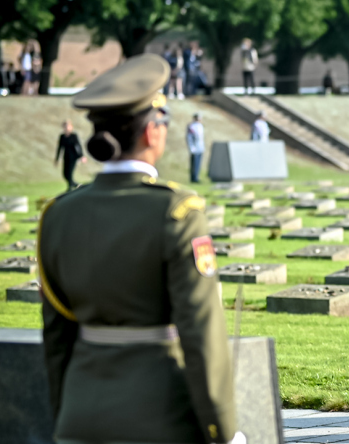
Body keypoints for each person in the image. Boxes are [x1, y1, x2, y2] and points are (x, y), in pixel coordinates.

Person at [38, 54, 243, 444]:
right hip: (161, 418)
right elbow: (201, 333)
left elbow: (57, 338)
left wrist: (66, 413)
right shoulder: (177, 212)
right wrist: (223, 430)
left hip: (79, 418)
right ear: (152, 132)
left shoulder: (58, 215)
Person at [54, 120, 87, 190]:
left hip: (73, 157)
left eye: (68, 126)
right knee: (65, 174)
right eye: (65, 126)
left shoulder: (73, 136)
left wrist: (82, 156)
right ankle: (77, 185)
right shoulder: (62, 137)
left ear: (71, 127)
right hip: (66, 157)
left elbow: (78, 146)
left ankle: (69, 188)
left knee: (69, 174)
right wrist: (57, 159)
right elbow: (60, 148)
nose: (66, 128)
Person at [187, 113, 206, 183]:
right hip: (194, 148)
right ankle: (193, 178)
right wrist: (191, 147)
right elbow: (189, 138)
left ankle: (196, 177)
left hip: (200, 147)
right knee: (194, 164)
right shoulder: (192, 126)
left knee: (198, 163)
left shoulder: (200, 126)